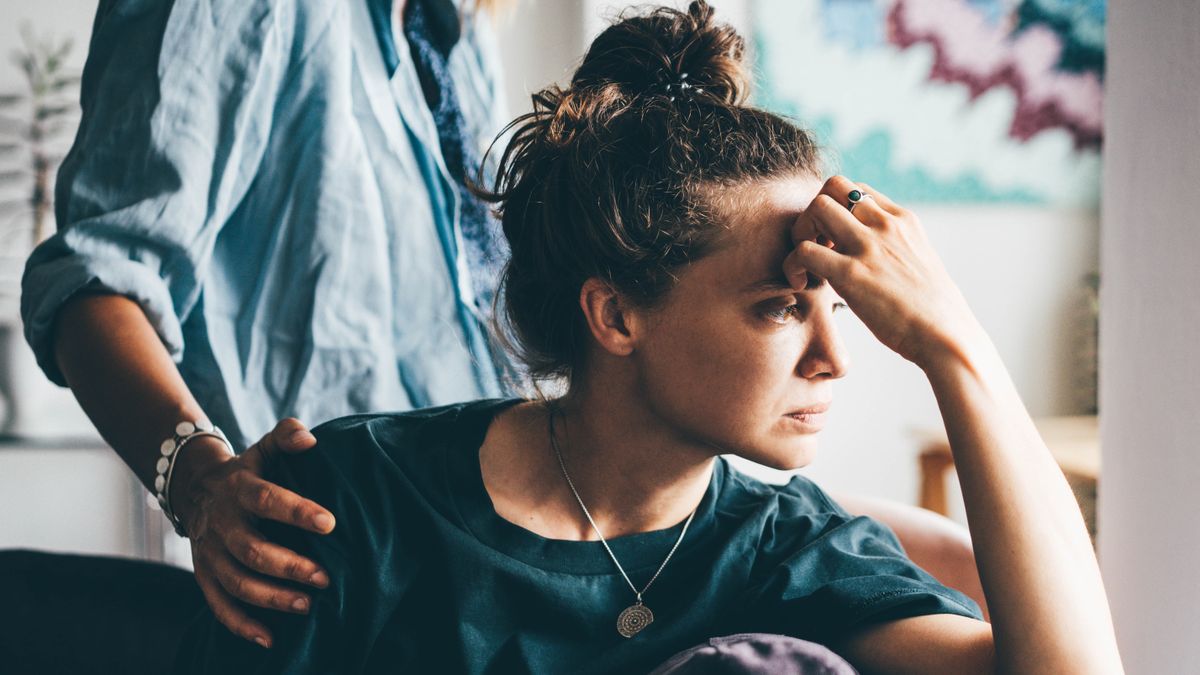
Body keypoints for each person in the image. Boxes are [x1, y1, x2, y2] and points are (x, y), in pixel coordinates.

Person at [13, 0, 984, 659]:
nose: (830, 353)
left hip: (528, 500)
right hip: (359, 546)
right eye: (780, 306)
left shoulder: (451, 34)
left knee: (946, 552)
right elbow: (100, 275)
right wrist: (201, 478)